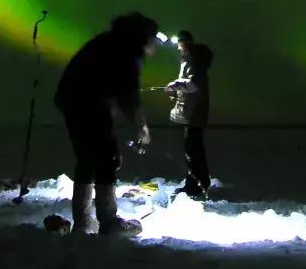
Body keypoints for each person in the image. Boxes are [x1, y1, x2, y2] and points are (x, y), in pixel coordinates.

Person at [53, 12, 159, 236]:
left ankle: (82, 222)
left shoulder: (105, 42)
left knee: (87, 159)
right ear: (143, 36)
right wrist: (141, 126)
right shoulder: (129, 52)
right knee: (106, 158)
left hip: (71, 101)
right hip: (88, 104)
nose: (155, 43)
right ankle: (108, 221)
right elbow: (128, 94)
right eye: (153, 37)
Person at [164, 30, 213, 200]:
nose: (177, 47)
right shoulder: (191, 61)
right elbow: (190, 89)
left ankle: (196, 187)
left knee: (193, 153)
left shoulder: (194, 62)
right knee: (193, 152)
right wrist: (176, 92)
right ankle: (197, 184)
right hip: (191, 114)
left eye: (180, 44)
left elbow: (194, 85)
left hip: (193, 115)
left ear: (185, 44)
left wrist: (175, 85)